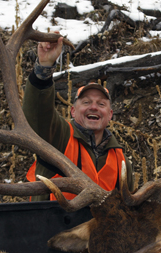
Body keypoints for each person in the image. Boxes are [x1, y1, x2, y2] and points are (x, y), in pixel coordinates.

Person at [22, 37, 134, 201]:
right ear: (73, 111)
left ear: (110, 115)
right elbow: (38, 113)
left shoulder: (120, 159)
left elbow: (129, 207)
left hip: (102, 226)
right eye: (86, 102)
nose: (94, 107)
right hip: (54, 224)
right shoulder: (59, 137)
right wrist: (44, 68)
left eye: (101, 104)